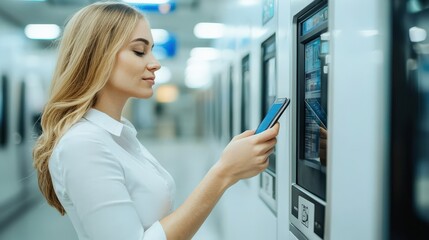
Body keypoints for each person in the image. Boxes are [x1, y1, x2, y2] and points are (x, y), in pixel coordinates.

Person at [32, 2, 279, 240]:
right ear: (98, 56)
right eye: (139, 51)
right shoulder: (83, 144)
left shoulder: (120, 135)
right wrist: (224, 172)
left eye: (151, 50)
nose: (155, 63)